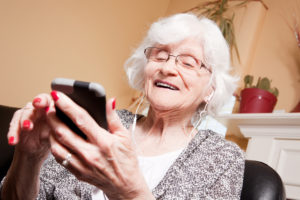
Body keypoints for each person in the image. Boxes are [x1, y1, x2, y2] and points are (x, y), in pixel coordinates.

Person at [1, 13, 244, 199]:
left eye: (188, 63)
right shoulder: (96, 123)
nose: (167, 68)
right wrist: (28, 156)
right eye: (159, 55)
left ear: (211, 88)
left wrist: (129, 192)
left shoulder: (222, 158)